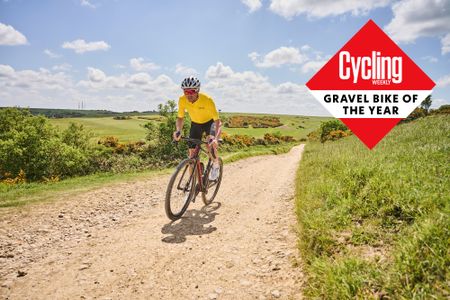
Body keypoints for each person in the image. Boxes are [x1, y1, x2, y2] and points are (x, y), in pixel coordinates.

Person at [173, 76, 222, 180]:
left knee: (210, 144)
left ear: (197, 90)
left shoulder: (207, 100)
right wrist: (178, 130)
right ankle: (191, 184)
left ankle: (216, 164)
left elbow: (218, 121)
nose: (188, 94)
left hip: (210, 123)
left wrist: (216, 139)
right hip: (195, 124)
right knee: (191, 156)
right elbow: (180, 117)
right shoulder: (182, 100)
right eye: (186, 92)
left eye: (191, 91)